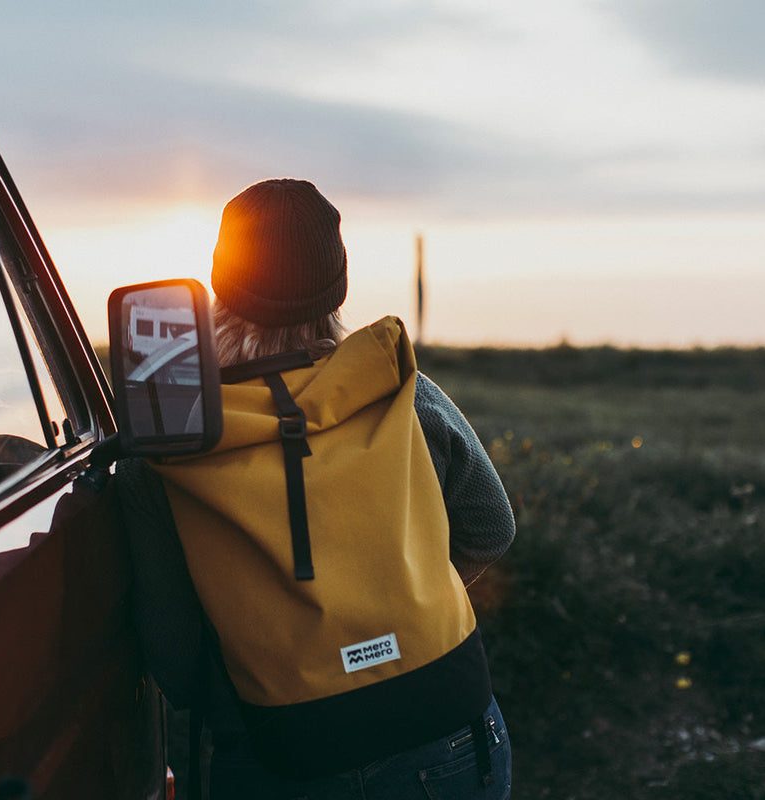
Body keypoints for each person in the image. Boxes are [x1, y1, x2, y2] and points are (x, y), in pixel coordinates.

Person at [114, 178, 515, 799]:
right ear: (338, 283)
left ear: (220, 281)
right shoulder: (398, 388)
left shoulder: (170, 444)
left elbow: (175, 656)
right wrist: (391, 614)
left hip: (278, 755)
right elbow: (491, 525)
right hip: (448, 729)